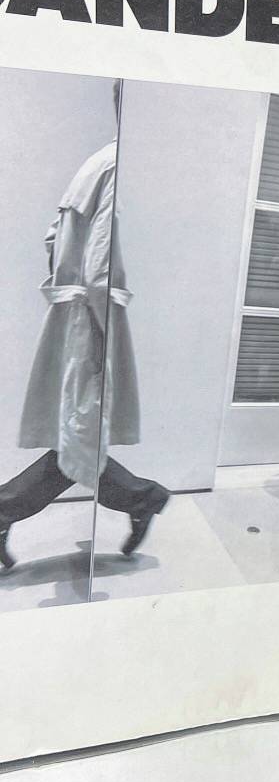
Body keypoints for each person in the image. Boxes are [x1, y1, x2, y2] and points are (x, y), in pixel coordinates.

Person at [0, 80, 169, 572]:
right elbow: (98, 272)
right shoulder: (117, 166)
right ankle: (142, 497)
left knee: (77, 434)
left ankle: (139, 497)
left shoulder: (96, 162)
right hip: (91, 321)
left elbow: (52, 238)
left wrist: (67, 293)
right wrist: (100, 332)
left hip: (76, 316)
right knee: (79, 435)